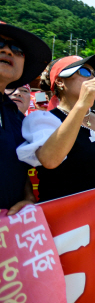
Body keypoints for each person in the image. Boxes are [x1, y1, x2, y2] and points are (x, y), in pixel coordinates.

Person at [17, 55, 95, 202]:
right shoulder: (42, 120)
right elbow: (50, 160)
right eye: (85, 72)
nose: (93, 79)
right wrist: (82, 105)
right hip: (70, 218)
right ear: (60, 81)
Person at [1, 22, 50, 214]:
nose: (8, 51)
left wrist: (27, 196)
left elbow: (14, 163)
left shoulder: (15, 116)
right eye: (0, 44)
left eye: (17, 49)